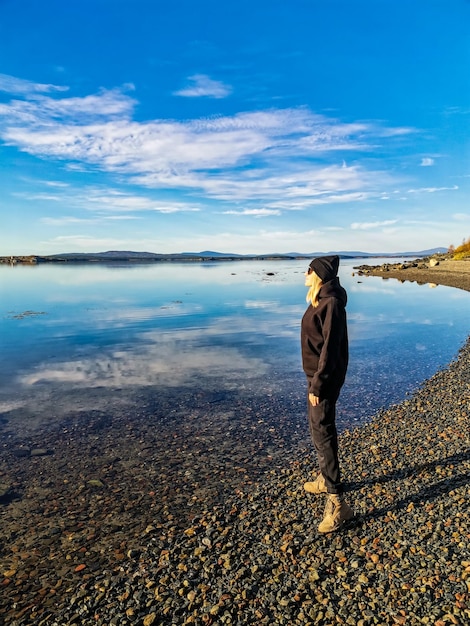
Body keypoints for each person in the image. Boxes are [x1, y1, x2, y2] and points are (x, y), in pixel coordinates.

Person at [301, 255, 353, 533]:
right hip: (316, 378)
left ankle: (338, 503)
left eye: (308, 270)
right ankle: (325, 477)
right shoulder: (320, 299)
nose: (305, 273)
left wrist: (319, 384)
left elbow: (331, 348)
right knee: (317, 427)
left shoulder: (331, 303)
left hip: (324, 379)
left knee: (323, 430)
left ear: (318, 274)